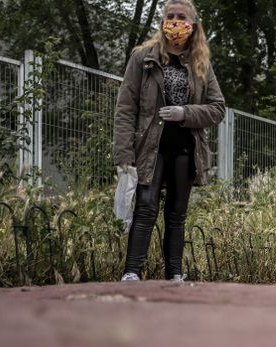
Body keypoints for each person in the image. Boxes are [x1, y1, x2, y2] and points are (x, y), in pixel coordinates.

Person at [113, 0, 225, 282]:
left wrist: (184, 112)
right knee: (146, 207)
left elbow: (218, 108)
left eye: (181, 17)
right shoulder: (143, 58)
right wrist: (123, 155)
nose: (175, 22)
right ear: (162, 22)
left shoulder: (201, 64)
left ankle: (175, 274)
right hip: (151, 147)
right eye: (170, 16)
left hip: (186, 149)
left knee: (176, 214)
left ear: (193, 24)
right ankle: (132, 272)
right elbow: (126, 108)